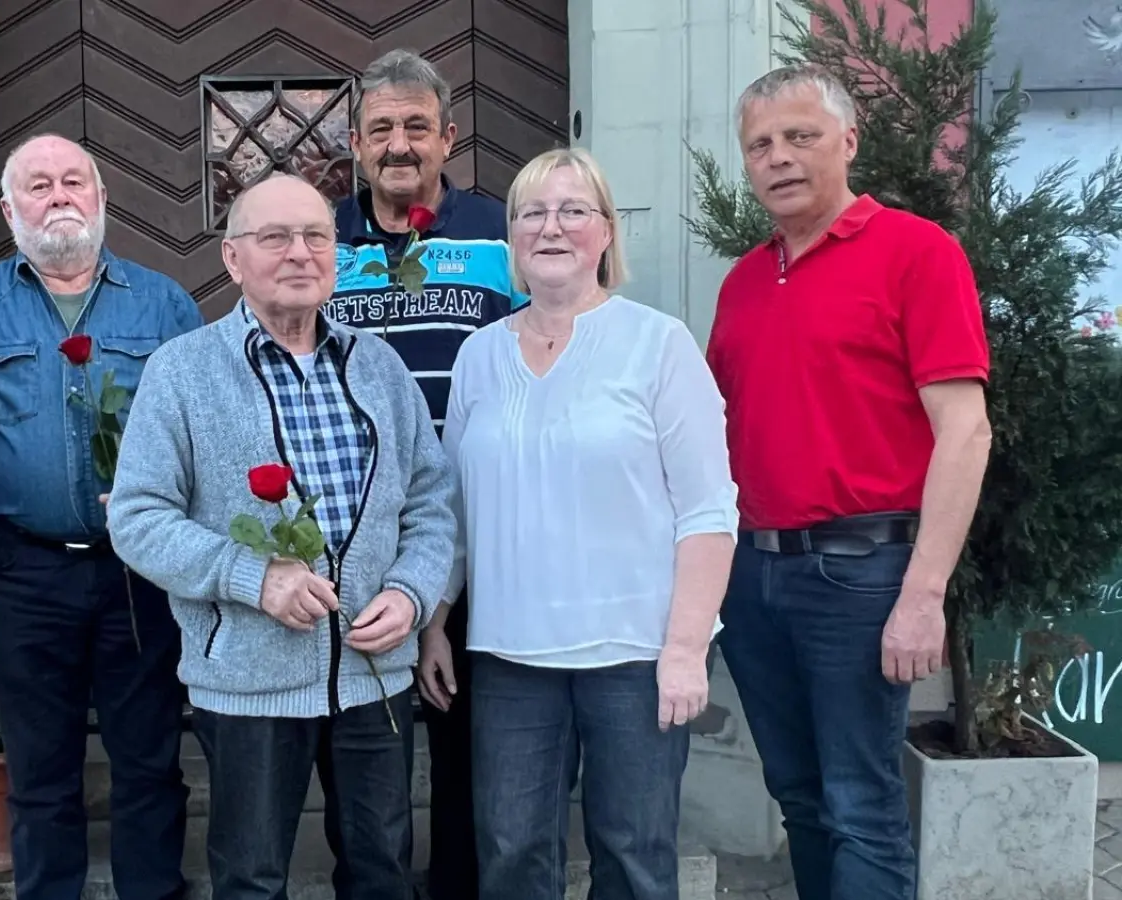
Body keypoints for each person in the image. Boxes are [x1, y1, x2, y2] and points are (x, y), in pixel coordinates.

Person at [106, 173, 456, 900]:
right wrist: (251, 577)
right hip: (247, 684)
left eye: (316, 236)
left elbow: (432, 500)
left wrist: (413, 592)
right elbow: (136, 516)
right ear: (233, 259)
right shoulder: (183, 372)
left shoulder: (379, 366)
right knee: (252, 879)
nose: (299, 252)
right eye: (275, 238)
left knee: (382, 872)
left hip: (374, 677)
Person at [706, 64, 992, 900]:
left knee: (861, 805)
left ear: (849, 141)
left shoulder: (917, 253)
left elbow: (966, 433)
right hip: (753, 576)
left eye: (801, 136)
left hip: (862, 573)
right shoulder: (745, 282)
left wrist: (922, 593)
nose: (779, 158)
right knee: (798, 797)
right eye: (761, 144)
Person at [441, 146, 737, 900]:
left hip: (634, 658)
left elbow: (708, 510)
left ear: (606, 233)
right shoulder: (478, 357)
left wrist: (684, 648)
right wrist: (433, 623)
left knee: (634, 857)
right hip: (508, 656)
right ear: (510, 237)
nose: (551, 227)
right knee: (509, 854)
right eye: (532, 212)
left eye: (574, 210)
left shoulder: (659, 345)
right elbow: (455, 509)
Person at [0, 132, 202, 900]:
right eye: (40, 184)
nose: (60, 196)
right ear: (9, 209)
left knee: (149, 758)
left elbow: (203, 430)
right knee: (40, 768)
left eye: (75, 181)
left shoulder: (163, 304)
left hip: (141, 571)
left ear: (102, 200)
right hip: (25, 567)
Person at [327, 50, 521, 898]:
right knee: (360, 759)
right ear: (355, 143)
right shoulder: (321, 238)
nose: (398, 145)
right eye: (380, 129)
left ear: (448, 135)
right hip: (356, 538)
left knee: (465, 747)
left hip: (480, 535)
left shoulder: (499, 231)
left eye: (415, 126)